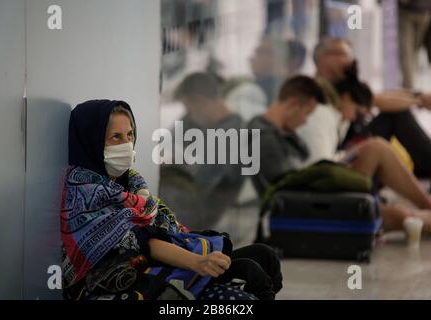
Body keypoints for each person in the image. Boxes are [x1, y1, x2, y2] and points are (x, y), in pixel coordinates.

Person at [61, 99, 282, 300]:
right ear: (91, 142)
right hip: (124, 281)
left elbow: (159, 232)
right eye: (115, 137)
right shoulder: (85, 194)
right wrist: (198, 263)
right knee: (248, 276)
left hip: (157, 264)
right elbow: (142, 240)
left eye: (129, 135)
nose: (127, 144)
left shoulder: (131, 184)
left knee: (265, 256)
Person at [248, 76, 431, 235]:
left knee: (375, 148)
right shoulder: (266, 140)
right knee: (401, 215)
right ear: (292, 105)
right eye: (306, 114)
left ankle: (427, 203)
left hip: (317, 197)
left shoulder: (279, 131)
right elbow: (287, 190)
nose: (305, 121)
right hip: (313, 208)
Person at [313, 37, 431, 179]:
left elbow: (376, 95)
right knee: (396, 116)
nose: (350, 58)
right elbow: (377, 100)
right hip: (342, 153)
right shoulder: (320, 87)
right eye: (344, 54)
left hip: (351, 146)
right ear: (325, 58)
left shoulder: (344, 82)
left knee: (395, 115)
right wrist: (419, 100)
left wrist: (418, 96)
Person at [159, 72, 245, 231]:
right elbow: (165, 147)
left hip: (194, 220)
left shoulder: (227, 135)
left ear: (200, 101)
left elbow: (192, 185)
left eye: (188, 107)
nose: (188, 114)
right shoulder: (203, 124)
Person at [398, 0, 431, 89]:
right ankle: (409, 87)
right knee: (411, 50)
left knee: (408, 51)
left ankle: (408, 88)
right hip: (423, 11)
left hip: (413, 11)